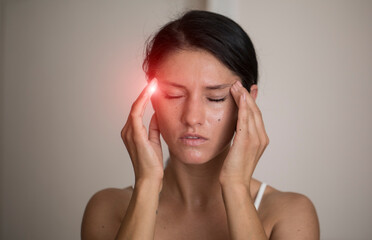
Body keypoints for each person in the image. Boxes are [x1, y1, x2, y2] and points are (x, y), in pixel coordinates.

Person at [81, 10, 320, 240]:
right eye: (174, 95)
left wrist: (236, 187)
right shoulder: (108, 209)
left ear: (248, 101)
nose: (192, 118)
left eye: (216, 98)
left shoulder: (289, 214)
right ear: (151, 97)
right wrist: (147, 184)